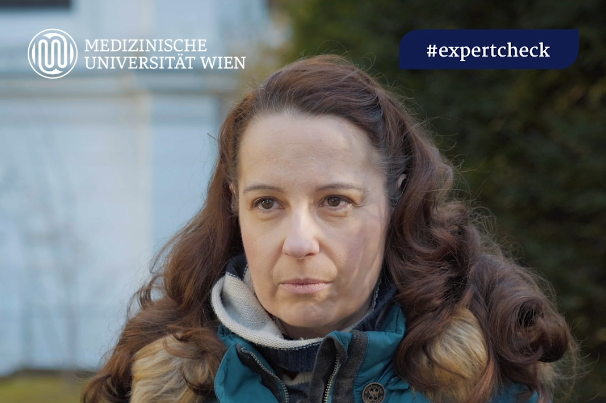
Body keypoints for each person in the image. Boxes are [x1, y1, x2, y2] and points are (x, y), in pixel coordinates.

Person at [82, 55, 575, 403]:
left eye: (335, 201)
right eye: (267, 203)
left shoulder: (488, 377)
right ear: (235, 204)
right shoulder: (158, 382)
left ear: (396, 198)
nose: (299, 242)